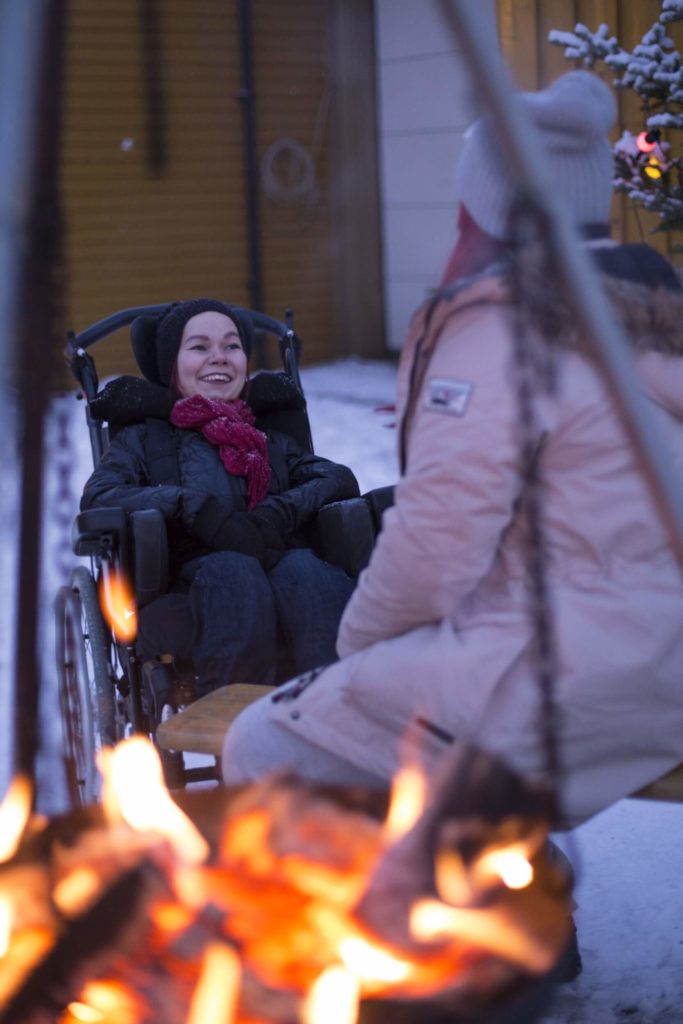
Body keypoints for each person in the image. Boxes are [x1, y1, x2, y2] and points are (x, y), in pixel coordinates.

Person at [221, 71, 683, 828]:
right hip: (656, 667)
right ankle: (510, 918)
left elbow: (434, 540)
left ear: (488, 203)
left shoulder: (502, 330)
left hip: (567, 674)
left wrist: (361, 653)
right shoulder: (644, 324)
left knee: (265, 744)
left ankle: (372, 937)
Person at [81, 298, 359, 696]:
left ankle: (338, 715)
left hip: (277, 562)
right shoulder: (144, 440)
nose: (220, 358)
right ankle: (239, 735)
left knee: (307, 571)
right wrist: (195, 509)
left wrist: (277, 512)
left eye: (232, 346)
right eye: (199, 347)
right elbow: (100, 497)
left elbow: (336, 477)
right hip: (188, 579)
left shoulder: (270, 440)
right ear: (171, 367)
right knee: (234, 573)